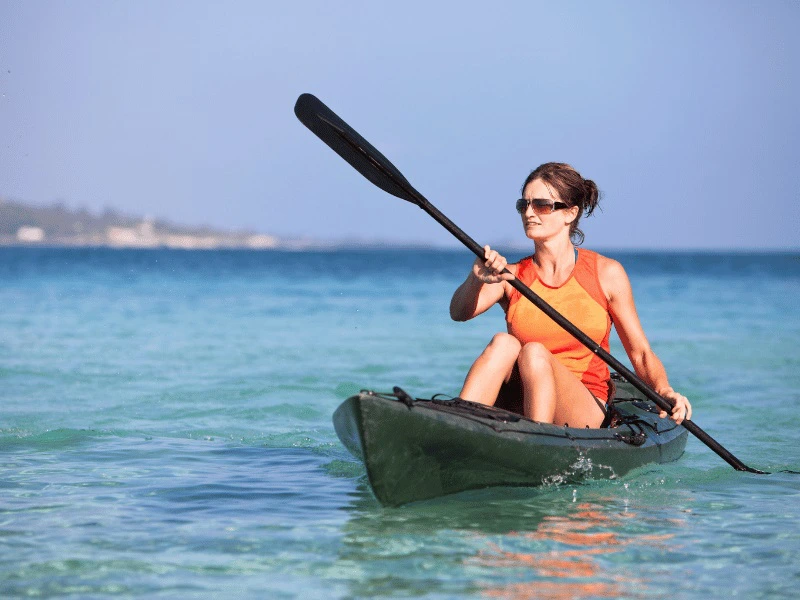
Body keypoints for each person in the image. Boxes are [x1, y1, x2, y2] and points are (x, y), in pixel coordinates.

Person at [449, 162, 692, 429]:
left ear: (570, 213)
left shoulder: (606, 273)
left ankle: (537, 445)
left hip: (583, 404)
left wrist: (664, 391)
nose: (529, 213)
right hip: (521, 398)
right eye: (523, 205)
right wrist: (475, 278)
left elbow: (640, 353)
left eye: (542, 205)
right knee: (503, 343)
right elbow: (459, 313)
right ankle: (457, 428)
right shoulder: (511, 275)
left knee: (534, 354)